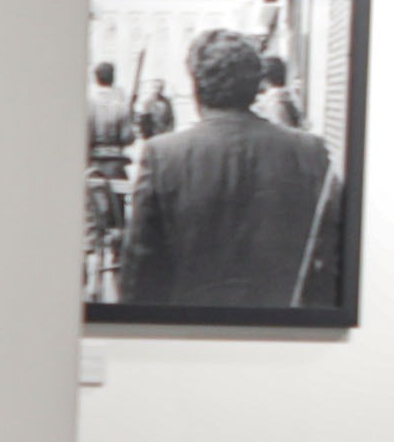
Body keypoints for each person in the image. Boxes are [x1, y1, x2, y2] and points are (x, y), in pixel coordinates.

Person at [115, 27, 337, 310]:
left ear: (196, 86)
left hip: (190, 324)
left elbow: (139, 272)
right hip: (284, 326)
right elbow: (329, 263)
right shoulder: (309, 152)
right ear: (256, 85)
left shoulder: (163, 156)